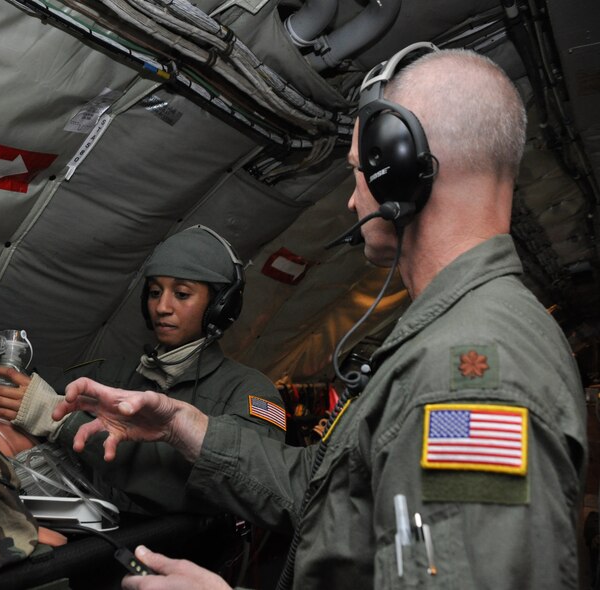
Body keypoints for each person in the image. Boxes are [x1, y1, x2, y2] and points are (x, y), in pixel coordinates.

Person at [52, 45, 589, 589]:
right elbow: (325, 491)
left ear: (402, 171)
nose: (353, 203)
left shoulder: (472, 373)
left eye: (358, 172)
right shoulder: (454, 338)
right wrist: (178, 423)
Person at [0, 225, 287, 515]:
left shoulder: (248, 391)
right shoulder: (118, 371)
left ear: (221, 307)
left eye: (181, 294)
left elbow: (243, 484)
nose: (162, 307)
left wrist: (61, 421)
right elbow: (28, 383)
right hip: (96, 525)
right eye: (154, 292)